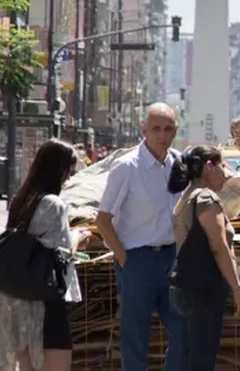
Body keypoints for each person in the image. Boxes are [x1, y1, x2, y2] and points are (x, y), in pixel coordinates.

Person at [94, 103, 185, 371]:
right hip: (137, 260)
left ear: (175, 131)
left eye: (167, 129)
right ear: (143, 129)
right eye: (155, 129)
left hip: (171, 259)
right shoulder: (126, 167)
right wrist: (124, 259)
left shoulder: (178, 164)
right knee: (135, 338)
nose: (161, 135)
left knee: (182, 330)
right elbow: (103, 219)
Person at [0, 140, 90, 371]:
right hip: (45, 302)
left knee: (27, 365)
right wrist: (79, 236)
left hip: (16, 300)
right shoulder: (53, 204)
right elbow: (62, 253)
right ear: (61, 169)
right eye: (69, 168)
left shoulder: (23, 198)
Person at [167, 146, 240, 371]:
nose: (226, 172)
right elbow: (219, 247)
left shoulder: (186, 196)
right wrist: (237, 289)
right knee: (201, 359)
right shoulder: (206, 198)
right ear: (209, 167)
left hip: (182, 287)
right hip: (202, 290)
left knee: (184, 356)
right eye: (223, 166)